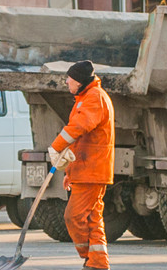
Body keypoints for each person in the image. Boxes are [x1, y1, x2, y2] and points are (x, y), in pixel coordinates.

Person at [48, 60, 114, 270]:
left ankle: (90, 257)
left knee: (73, 216)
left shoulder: (94, 98)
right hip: (87, 170)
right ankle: (97, 262)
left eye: (70, 78)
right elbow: (80, 138)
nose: (66, 81)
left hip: (92, 171)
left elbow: (79, 127)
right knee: (93, 219)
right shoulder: (87, 97)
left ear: (80, 80)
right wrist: (70, 171)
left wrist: (56, 146)